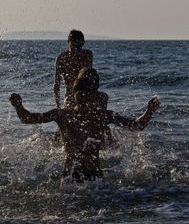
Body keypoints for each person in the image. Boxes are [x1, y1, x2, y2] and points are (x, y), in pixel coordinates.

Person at [10, 68, 160, 182]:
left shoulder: (103, 116)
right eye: (79, 93)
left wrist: (149, 111)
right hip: (71, 176)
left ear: (94, 96)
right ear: (73, 94)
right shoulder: (62, 114)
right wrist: (18, 106)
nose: (82, 97)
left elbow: (135, 126)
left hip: (95, 178)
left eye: (86, 94)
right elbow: (29, 118)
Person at [53, 29, 93, 108]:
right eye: (74, 46)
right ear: (69, 42)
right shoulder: (62, 58)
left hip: (86, 96)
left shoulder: (87, 55)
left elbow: (90, 78)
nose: (76, 50)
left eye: (79, 47)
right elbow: (56, 84)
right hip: (70, 98)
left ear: (83, 43)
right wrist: (58, 106)